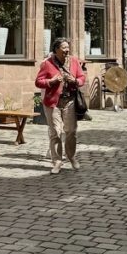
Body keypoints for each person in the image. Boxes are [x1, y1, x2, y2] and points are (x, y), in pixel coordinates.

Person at [35, 37, 86, 174]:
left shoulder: (74, 61)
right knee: (55, 132)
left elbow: (82, 78)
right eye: (64, 48)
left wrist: (75, 80)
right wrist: (51, 81)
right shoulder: (47, 64)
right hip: (53, 103)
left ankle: (71, 157)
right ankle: (57, 161)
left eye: (67, 47)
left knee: (71, 131)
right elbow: (39, 81)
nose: (67, 50)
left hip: (70, 101)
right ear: (56, 50)